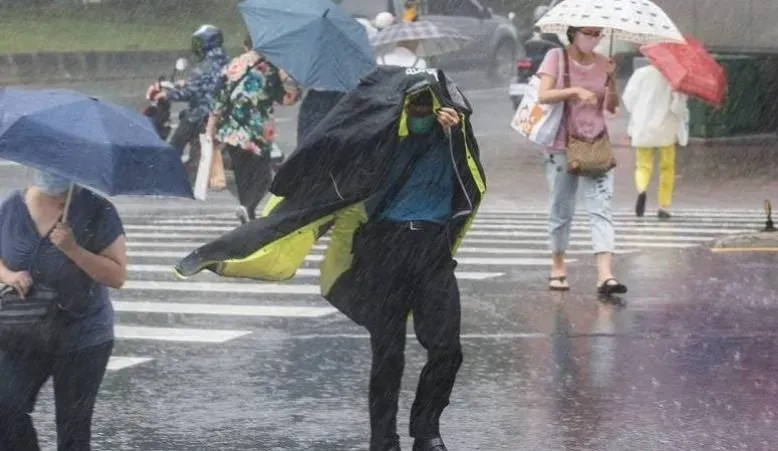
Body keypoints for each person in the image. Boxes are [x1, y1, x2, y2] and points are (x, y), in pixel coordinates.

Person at [173, 67, 486, 451]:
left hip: (432, 251)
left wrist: (454, 135)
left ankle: (426, 429)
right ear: (402, 107)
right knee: (388, 350)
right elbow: (334, 164)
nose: (422, 112)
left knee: (446, 348)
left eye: (428, 105)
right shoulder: (382, 139)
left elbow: (469, 178)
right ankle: (383, 438)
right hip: (383, 248)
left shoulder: (455, 139)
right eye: (415, 105)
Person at [0, 170, 127, 450]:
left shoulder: (97, 210)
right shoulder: (11, 208)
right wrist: (9, 276)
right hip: (23, 333)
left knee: (73, 430)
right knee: (5, 413)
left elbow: (117, 276)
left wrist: (73, 249)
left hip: (83, 336)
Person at [536, 26, 627, 296]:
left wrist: (612, 80)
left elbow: (610, 107)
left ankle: (605, 274)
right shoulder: (556, 57)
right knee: (561, 208)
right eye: (589, 32)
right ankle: (558, 266)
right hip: (562, 145)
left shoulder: (603, 62)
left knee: (602, 207)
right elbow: (543, 95)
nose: (594, 38)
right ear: (574, 33)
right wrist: (574, 90)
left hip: (596, 143)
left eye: (598, 33)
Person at [206, 35, 303, 223]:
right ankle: (247, 208)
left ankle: (246, 214)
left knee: (243, 176)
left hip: (231, 130)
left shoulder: (232, 65)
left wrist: (211, 126)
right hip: (256, 133)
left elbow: (218, 98)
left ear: (245, 45)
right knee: (263, 177)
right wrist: (291, 83)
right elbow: (285, 99)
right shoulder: (270, 69)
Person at [622, 63, 689, 219]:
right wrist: (678, 94)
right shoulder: (676, 77)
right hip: (666, 129)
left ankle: (641, 190)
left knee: (643, 165)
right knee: (667, 167)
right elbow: (678, 108)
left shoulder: (641, 73)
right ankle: (663, 206)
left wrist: (640, 111)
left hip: (643, 127)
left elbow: (628, 99)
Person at [156, 24, 229, 161]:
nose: (197, 46)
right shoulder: (224, 61)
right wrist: (186, 83)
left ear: (209, 43)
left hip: (201, 114)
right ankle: (194, 165)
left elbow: (190, 93)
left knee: (176, 143)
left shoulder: (205, 66)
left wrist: (167, 95)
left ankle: (170, 168)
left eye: (200, 42)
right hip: (218, 112)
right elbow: (210, 83)